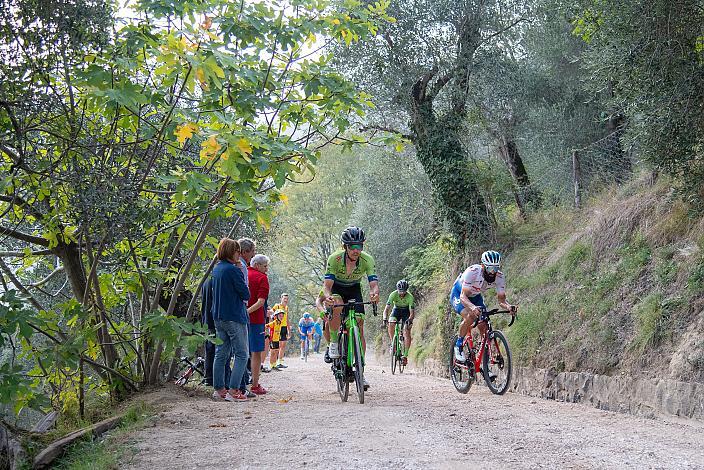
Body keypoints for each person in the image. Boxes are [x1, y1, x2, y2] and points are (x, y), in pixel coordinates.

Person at [323, 226, 379, 388]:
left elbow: (373, 284)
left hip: (354, 289)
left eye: (359, 246)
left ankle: (360, 370)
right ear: (345, 246)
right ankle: (334, 344)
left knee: (359, 324)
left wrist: (374, 294)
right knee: (337, 306)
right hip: (337, 288)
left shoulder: (367, 259)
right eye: (352, 246)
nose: (356, 250)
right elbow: (327, 286)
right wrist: (328, 296)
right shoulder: (335, 259)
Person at [451, 250, 518, 362]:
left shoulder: (500, 277)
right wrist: (472, 308)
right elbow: (463, 297)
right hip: (459, 294)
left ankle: (486, 365)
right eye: (490, 268)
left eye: (496, 268)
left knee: (484, 327)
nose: (493, 272)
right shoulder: (472, 272)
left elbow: (501, 301)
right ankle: (458, 345)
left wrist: (509, 307)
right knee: (470, 316)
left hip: (476, 296)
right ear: (483, 266)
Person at [211, 238, 251, 402]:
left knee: (221, 354)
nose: (239, 254)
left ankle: (219, 389)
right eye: (237, 251)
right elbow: (246, 294)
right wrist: (241, 270)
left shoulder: (217, 269)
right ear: (230, 252)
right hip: (234, 317)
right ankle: (234, 390)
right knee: (242, 354)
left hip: (219, 317)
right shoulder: (234, 270)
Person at [246, 253, 270, 395]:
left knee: (241, 351)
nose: (267, 269)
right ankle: (255, 385)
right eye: (265, 266)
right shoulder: (262, 278)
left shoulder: (243, 273)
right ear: (257, 265)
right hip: (255, 319)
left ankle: (239, 383)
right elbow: (260, 301)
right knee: (256, 353)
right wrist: (247, 312)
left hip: (240, 319)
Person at [382, 279, 415, 366]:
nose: (401, 293)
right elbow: (386, 310)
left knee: (406, 331)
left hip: (406, 312)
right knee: (391, 323)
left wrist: (409, 320)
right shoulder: (393, 294)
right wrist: (385, 318)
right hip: (396, 310)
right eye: (400, 291)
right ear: (397, 289)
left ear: (406, 290)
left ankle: (405, 355)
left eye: (403, 291)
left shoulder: (410, 297)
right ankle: (393, 343)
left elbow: (412, 313)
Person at [200, 275, 215, 386]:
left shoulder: (205, 280)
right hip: (213, 318)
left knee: (209, 348)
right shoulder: (215, 280)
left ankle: (208, 376)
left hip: (206, 318)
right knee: (213, 348)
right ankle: (210, 377)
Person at [271, 293, 290, 368]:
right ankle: (273, 363)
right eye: (284, 298)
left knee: (283, 345)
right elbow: (271, 314)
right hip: (277, 327)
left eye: (287, 299)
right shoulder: (277, 306)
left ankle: (280, 362)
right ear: (281, 298)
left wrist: (289, 329)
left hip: (284, 327)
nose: (286, 300)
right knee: (276, 346)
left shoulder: (287, 308)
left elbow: (287, 318)